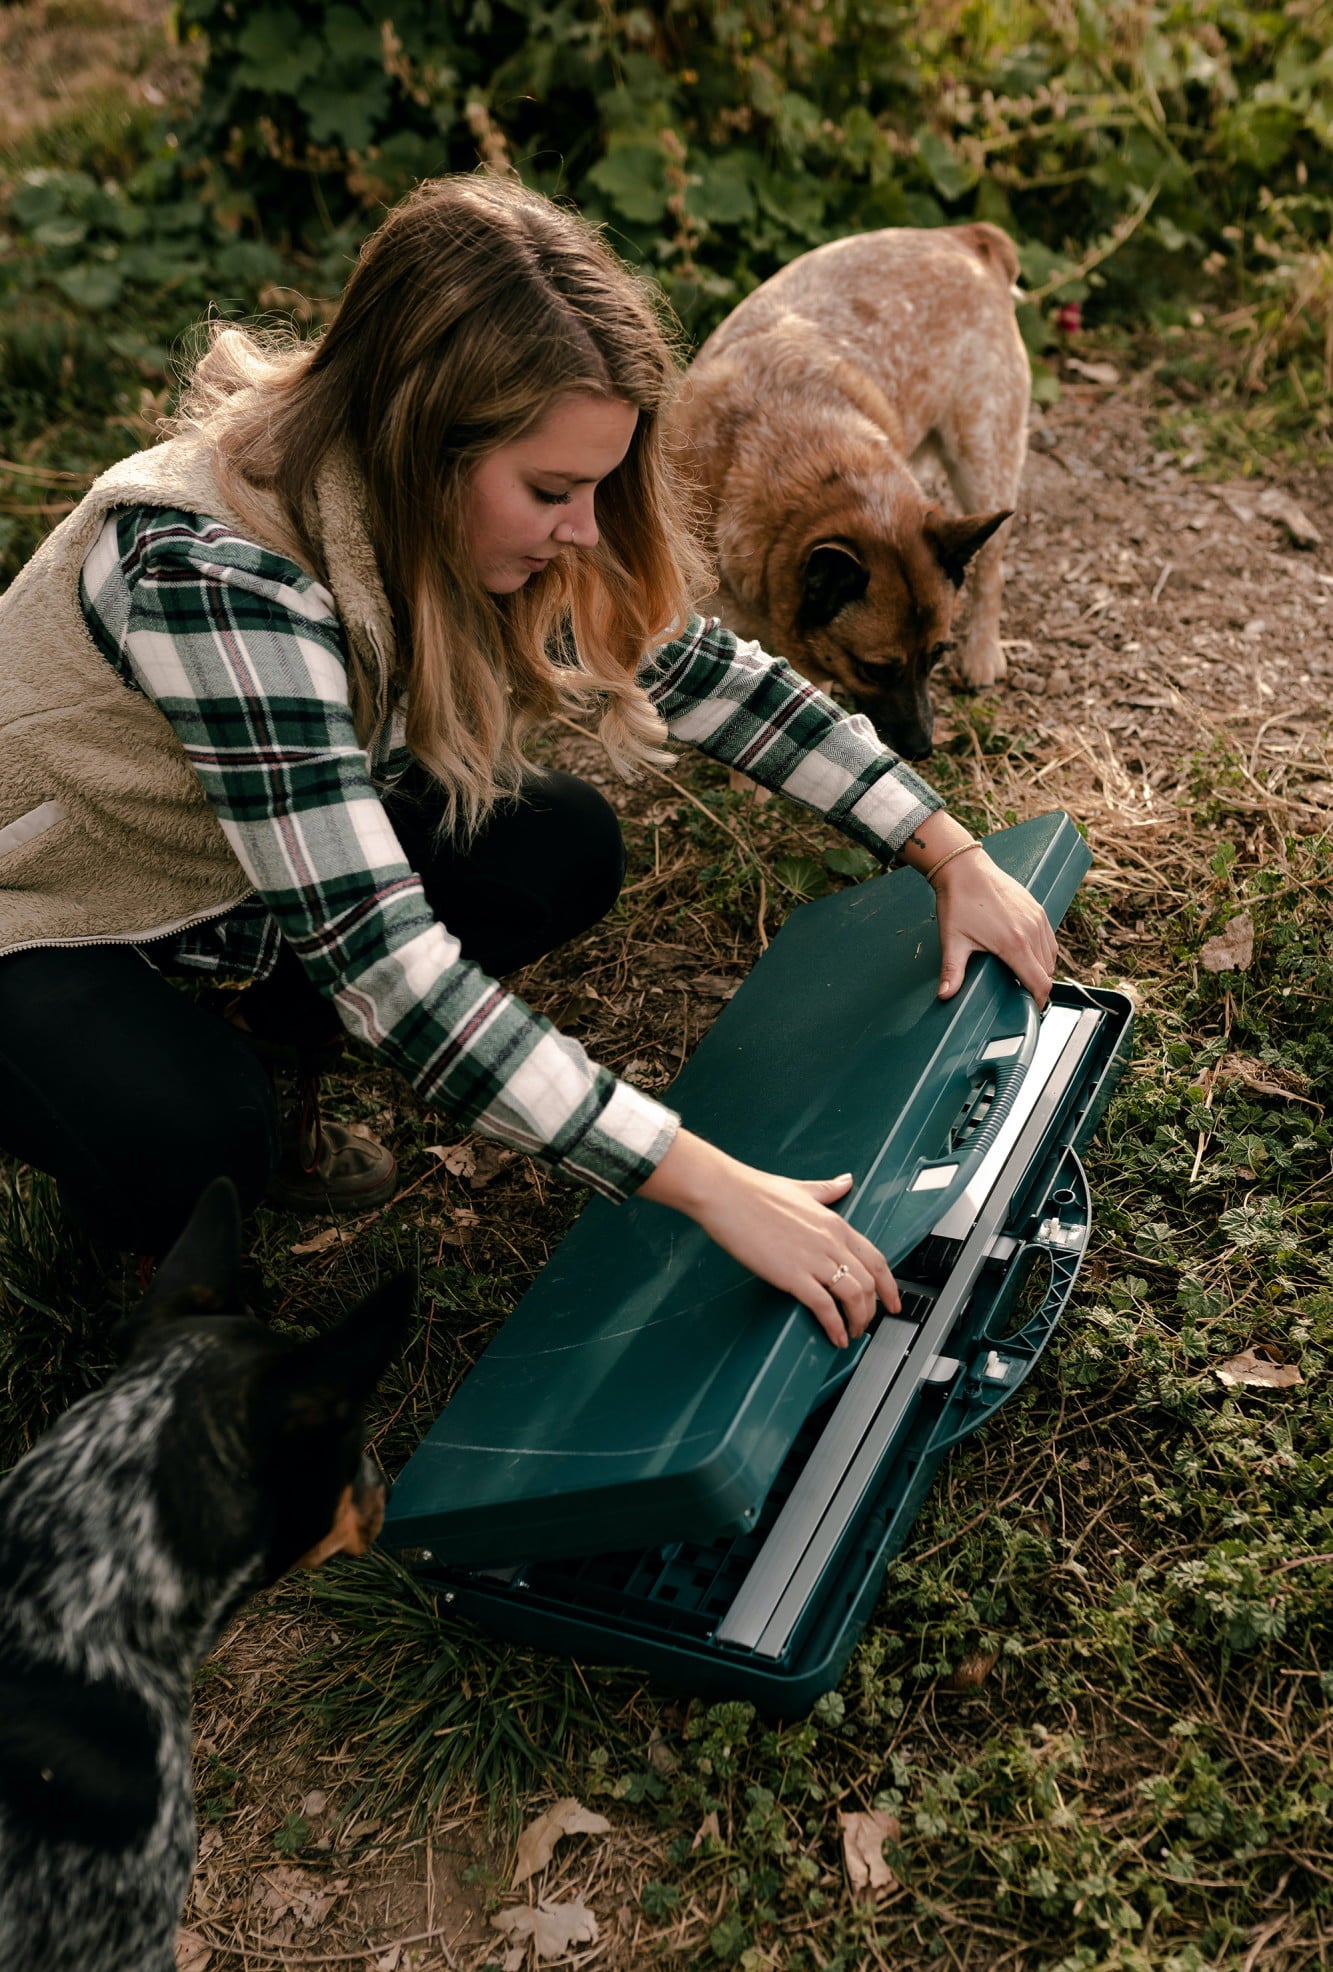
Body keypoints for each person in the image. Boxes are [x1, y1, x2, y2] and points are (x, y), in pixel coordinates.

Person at [0, 174, 1055, 1349]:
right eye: (553, 491)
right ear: (420, 436)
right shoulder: (215, 576)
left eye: (596, 485)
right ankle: (160, 1186)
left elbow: (696, 671)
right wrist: (712, 1183)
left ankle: (263, 1032)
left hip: (228, 858)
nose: (586, 529)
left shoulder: (436, 504)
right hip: (48, 902)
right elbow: (391, 971)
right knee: (199, 1136)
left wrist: (942, 846)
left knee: (553, 844)